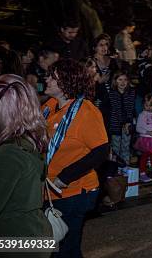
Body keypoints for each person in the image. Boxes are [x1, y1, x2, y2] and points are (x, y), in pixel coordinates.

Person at [43, 59, 109, 258]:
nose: (46, 80)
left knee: (65, 250)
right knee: (53, 248)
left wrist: (64, 177)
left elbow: (101, 151)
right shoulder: (49, 106)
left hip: (73, 191)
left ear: (65, 83)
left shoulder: (86, 111)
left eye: (51, 77)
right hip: (49, 191)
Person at [0, 74, 52, 249]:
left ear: (1, 108)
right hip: (34, 234)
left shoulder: (9, 153)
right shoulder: (29, 141)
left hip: (14, 241)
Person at [107, 72, 136, 167]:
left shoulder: (131, 92)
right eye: (120, 80)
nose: (123, 82)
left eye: (125, 80)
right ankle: (116, 167)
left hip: (127, 125)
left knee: (126, 147)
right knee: (115, 148)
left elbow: (130, 108)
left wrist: (128, 122)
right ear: (115, 81)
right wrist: (123, 123)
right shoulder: (112, 93)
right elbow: (116, 109)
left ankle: (126, 166)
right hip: (116, 125)